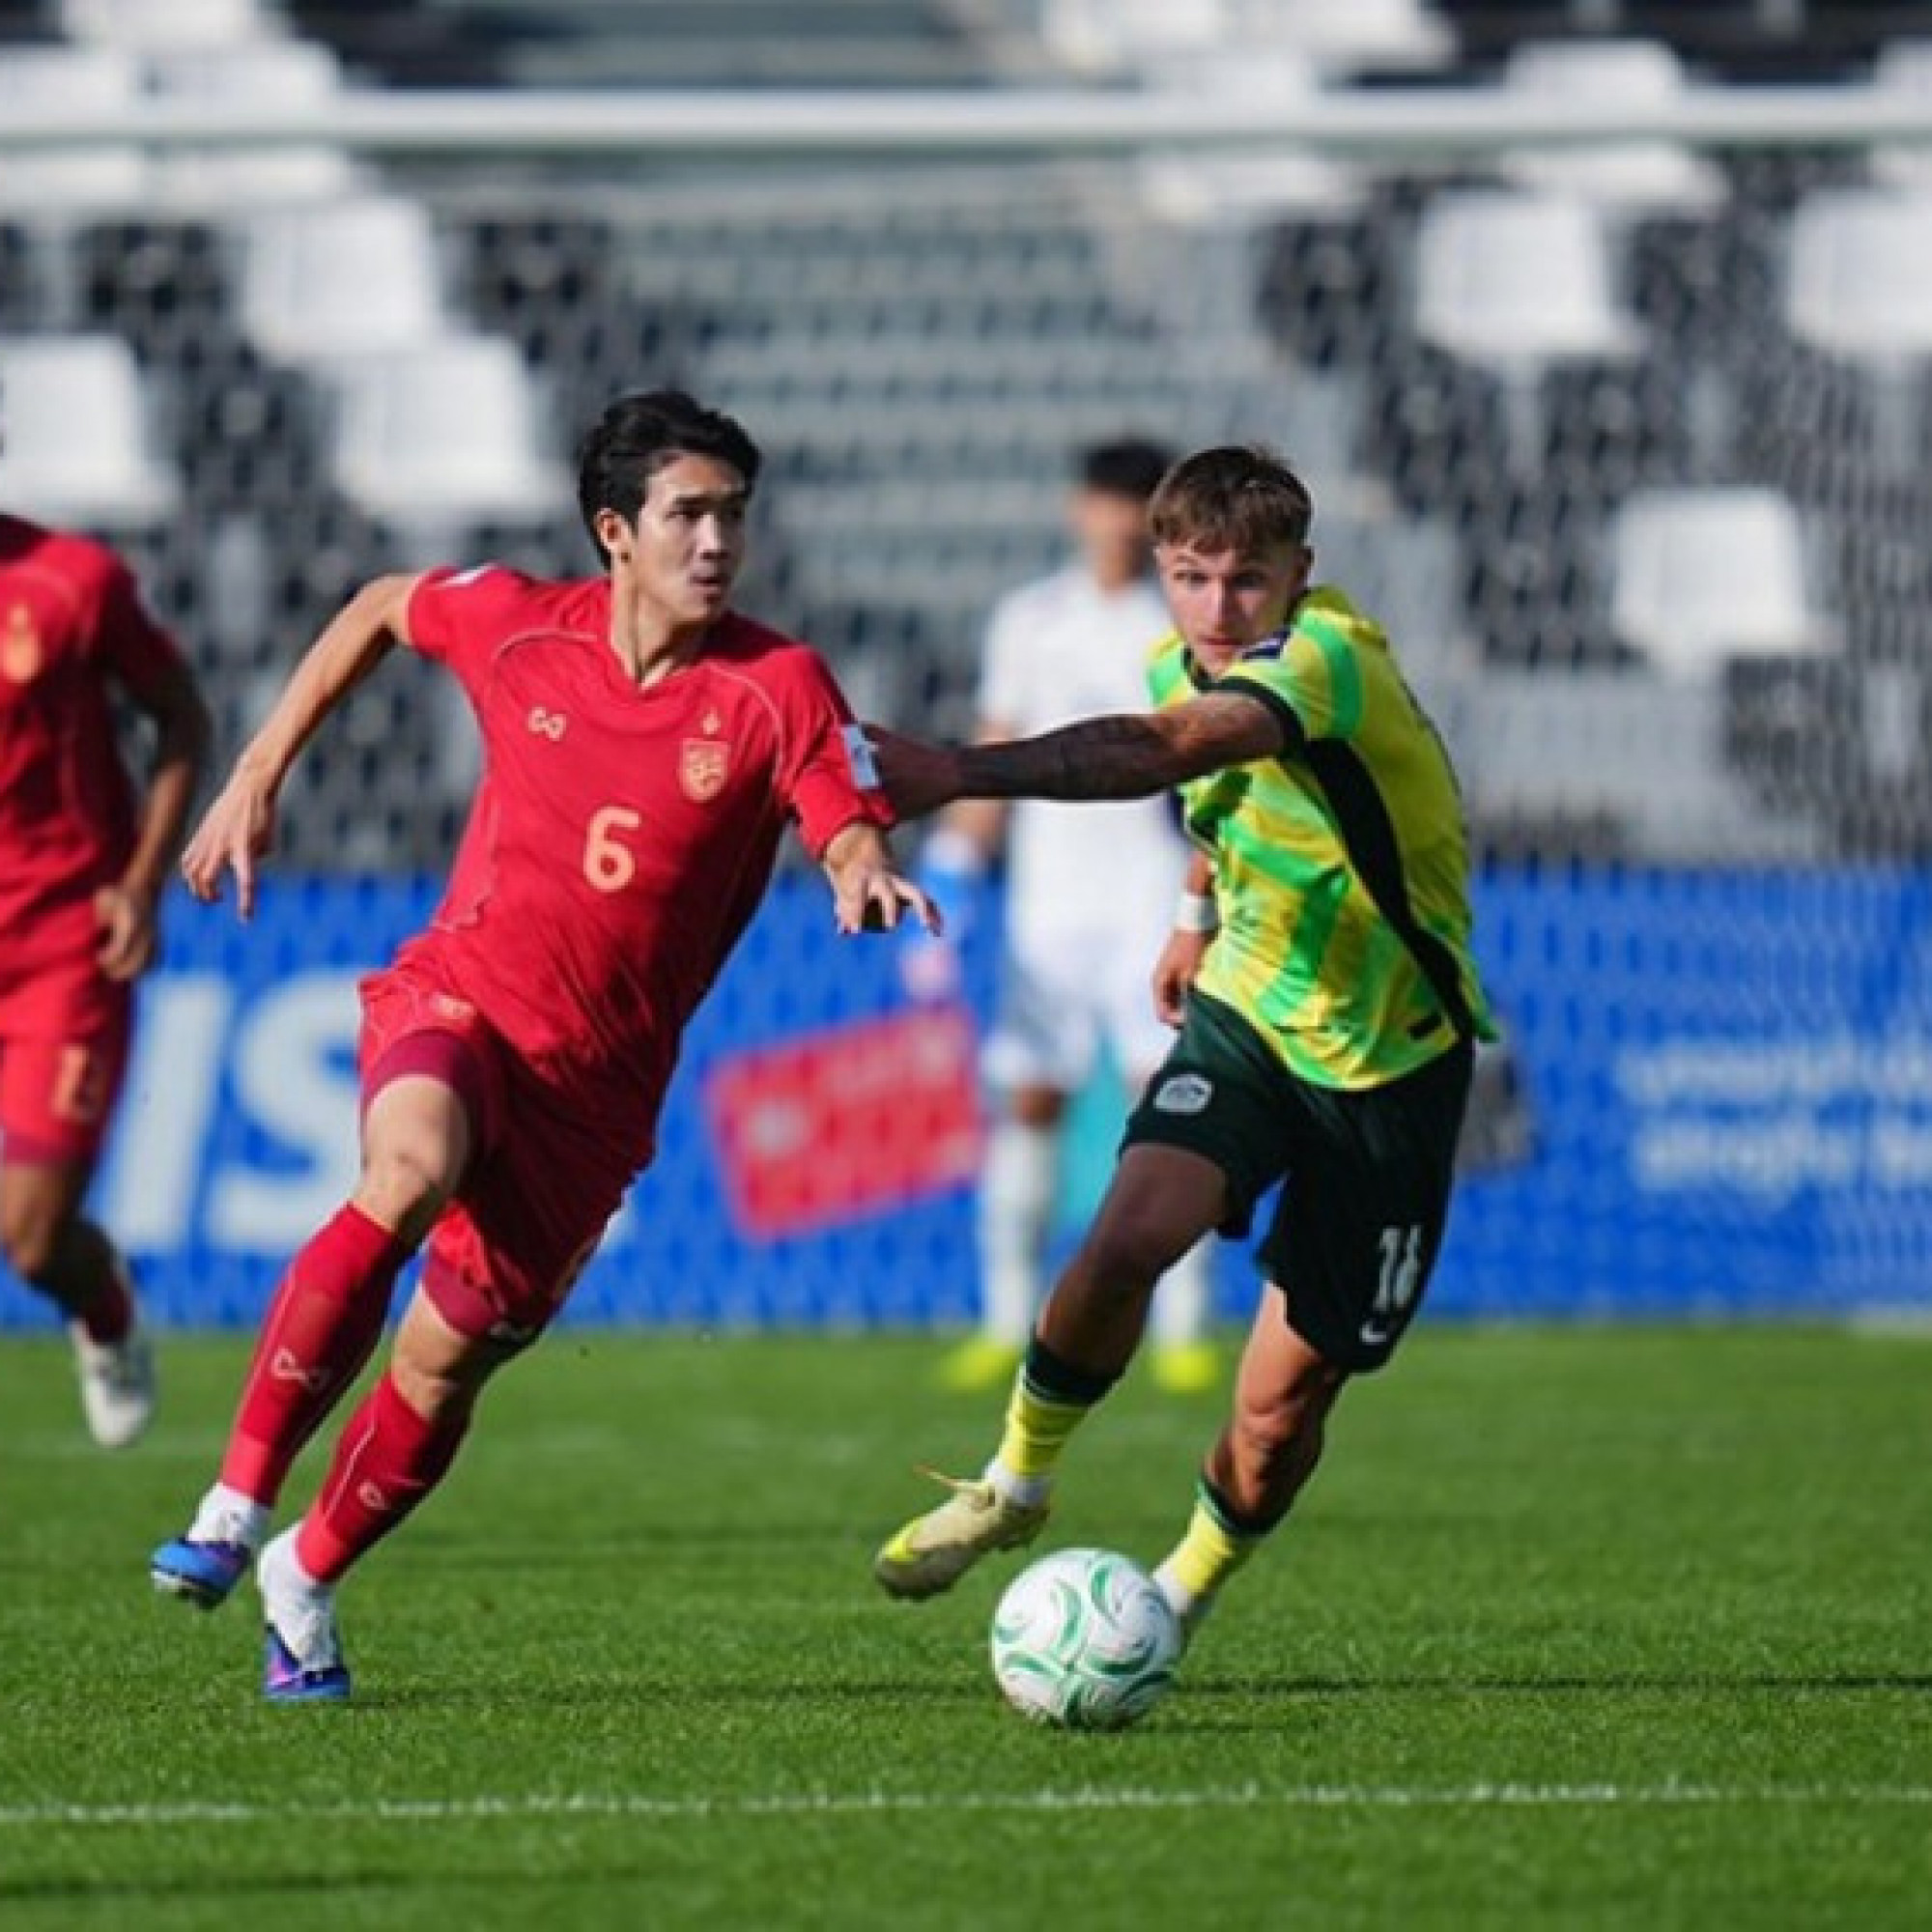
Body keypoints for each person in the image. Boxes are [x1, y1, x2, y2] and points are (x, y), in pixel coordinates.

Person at [149, 389, 935, 1702]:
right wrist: (257, 770)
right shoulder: (519, 626)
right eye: (690, 512)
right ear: (614, 531)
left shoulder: (775, 681)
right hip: (456, 1003)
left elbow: (834, 806)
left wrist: (861, 866)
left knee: (450, 1360)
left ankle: (307, 1572)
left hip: (598, 1096)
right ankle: (235, 1501)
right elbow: (383, 604)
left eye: (735, 513)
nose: (718, 540)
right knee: (405, 1174)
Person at [868, 445, 1495, 1651]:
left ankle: (1176, 1594)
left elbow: (1174, 752)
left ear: (1298, 575)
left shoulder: (1325, 659)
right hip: (1251, 1016)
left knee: (1274, 1414)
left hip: (1391, 1063)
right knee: (1124, 1237)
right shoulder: (1181, 660)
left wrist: (952, 771)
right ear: (1162, 570)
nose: (1215, 609)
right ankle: (1012, 1483)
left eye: (1246, 581)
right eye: (1191, 577)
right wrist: (1192, 915)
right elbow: (1226, 805)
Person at [903, 438, 1221, 1399]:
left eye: (1138, 505)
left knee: (1163, 1106)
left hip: (1150, 904)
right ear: (1078, 508)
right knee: (1028, 1101)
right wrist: (954, 865)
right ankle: (1004, 1319)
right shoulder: (1031, 620)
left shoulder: (1180, 628)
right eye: (1106, 502)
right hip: (1050, 911)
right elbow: (994, 753)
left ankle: (1180, 1327)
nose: (1119, 522)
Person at [0, 472, 211, 1448]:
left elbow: (181, 719)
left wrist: (140, 881)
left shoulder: (72, 581)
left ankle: (106, 1308)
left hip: (59, 951)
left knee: (33, 1238)